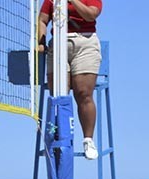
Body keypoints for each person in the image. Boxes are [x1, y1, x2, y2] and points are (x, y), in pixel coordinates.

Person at [37, 0, 103, 160]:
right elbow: (42, 20)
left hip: (85, 43)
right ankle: (59, 135)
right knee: (59, 96)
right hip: (59, 44)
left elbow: (91, 15)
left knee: (83, 93)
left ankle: (88, 140)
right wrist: (41, 42)